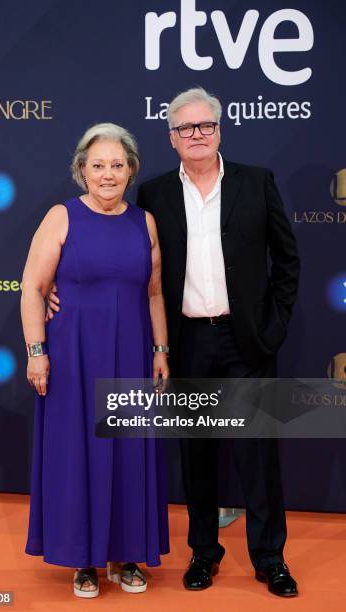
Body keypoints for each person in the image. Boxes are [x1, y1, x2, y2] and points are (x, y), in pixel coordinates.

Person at [48, 88, 300, 598]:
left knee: (257, 455)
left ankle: (270, 559)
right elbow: (130, 263)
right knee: (198, 458)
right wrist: (60, 285)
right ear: (172, 139)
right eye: (186, 129)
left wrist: (271, 328)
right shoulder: (156, 194)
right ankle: (204, 555)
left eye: (205, 126)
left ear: (219, 130)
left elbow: (287, 261)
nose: (197, 135)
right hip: (188, 343)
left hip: (247, 341)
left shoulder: (258, 182)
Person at [21, 122, 169, 599]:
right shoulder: (61, 217)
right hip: (73, 359)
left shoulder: (143, 222)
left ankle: (126, 556)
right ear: (82, 170)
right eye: (98, 165)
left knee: (128, 455)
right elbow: (33, 289)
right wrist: (37, 353)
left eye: (117, 165)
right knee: (77, 456)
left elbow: (154, 292)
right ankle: (84, 561)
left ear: (131, 171)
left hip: (130, 356)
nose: (108, 174)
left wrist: (161, 350)